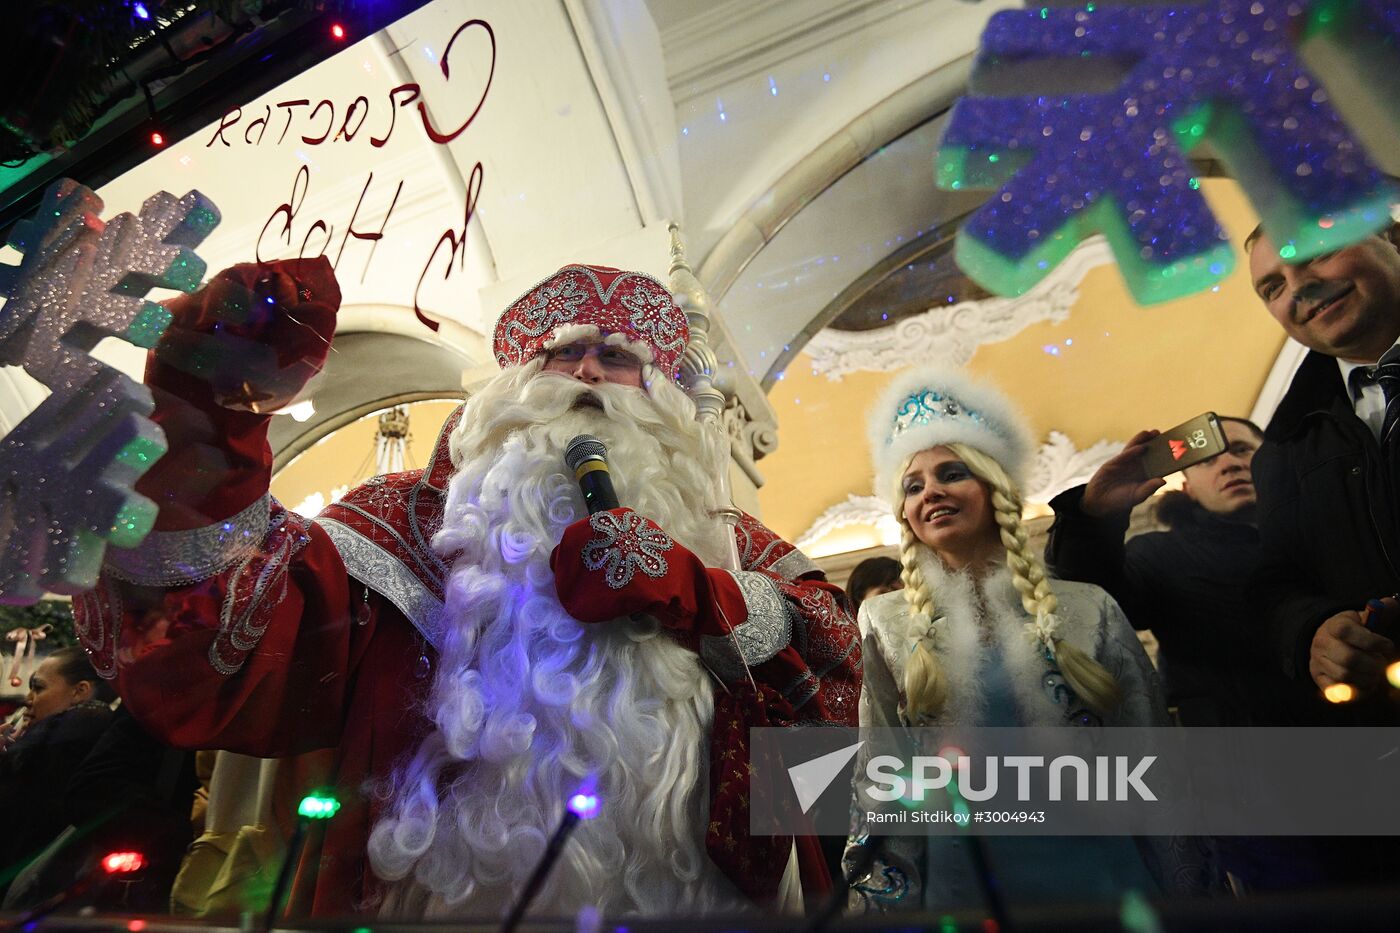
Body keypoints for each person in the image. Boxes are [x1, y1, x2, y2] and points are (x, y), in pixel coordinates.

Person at [71, 260, 860, 919]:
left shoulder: (728, 543)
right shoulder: (400, 525)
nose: (588, 370)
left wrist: (699, 594)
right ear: (514, 384)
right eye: (564, 353)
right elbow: (212, 652)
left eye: (617, 358)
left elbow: (840, 722)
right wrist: (204, 421)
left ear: (661, 395)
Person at [843, 367, 1202, 912]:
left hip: (1104, 879)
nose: (931, 491)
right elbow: (881, 773)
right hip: (967, 891)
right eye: (913, 485)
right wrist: (891, 900)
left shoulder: (1089, 607)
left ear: (993, 486)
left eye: (952, 472)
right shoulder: (886, 621)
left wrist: (1187, 890)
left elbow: (1154, 759)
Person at [1044, 416, 1312, 726]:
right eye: (1206, 459)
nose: (1228, 464)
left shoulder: (1327, 533)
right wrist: (1092, 517)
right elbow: (1091, 602)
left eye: (1241, 450)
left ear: (1274, 463)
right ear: (1188, 489)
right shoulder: (1160, 554)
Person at [1245, 222, 1400, 720]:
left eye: (1315, 253)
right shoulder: (1282, 450)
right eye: (1273, 287)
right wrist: (1314, 631)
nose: (1299, 288)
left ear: (1392, 239)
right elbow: (1276, 586)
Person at [0, 647, 115, 896]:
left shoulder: (73, 730)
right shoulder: (92, 730)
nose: (28, 698)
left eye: (39, 688)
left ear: (79, 691)